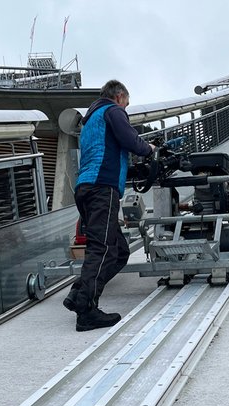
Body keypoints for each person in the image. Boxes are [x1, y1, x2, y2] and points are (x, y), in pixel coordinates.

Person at [63, 80, 154, 332]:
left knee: (118, 251)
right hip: (102, 188)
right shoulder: (113, 111)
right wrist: (150, 149)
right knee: (101, 249)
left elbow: (108, 150)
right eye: (127, 101)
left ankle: (78, 294)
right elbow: (131, 141)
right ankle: (87, 312)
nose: (127, 107)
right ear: (120, 95)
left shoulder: (91, 119)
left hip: (87, 187)